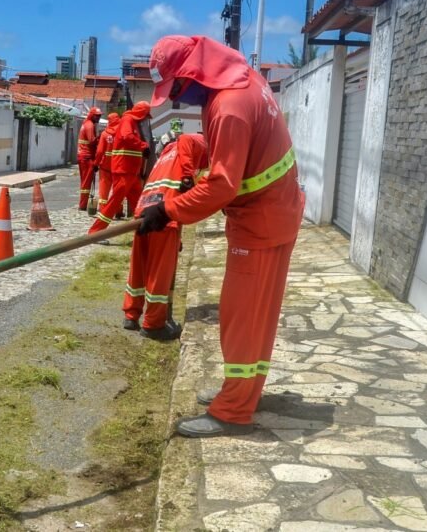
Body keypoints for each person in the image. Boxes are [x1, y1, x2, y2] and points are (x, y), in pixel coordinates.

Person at [140, 35, 304, 437]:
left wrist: (168, 210)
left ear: (193, 74)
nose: (179, 99)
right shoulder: (245, 79)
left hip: (261, 223)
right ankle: (242, 391)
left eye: (176, 88)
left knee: (242, 317)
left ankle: (232, 411)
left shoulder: (227, 107)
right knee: (255, 316)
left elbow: (223, 185)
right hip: (275, 213)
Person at [123, 133, 207, 341]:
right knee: (160, 271)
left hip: (144, 210)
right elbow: (188, 140)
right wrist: (189, 176)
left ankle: (131, 314)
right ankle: (153, 324)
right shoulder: (197, 142)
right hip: (164, 215)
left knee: (139, 267)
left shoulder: (165, 156)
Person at [88, 101, 151, 233]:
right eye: (145, 115)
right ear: (141, 113)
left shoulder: (132, 123)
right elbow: (126, 137)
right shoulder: (128, 120)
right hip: (124, 170)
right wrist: (143, 146)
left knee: (139, 203)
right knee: (114, 202)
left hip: (131, 171)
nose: (146, 119)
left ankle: (146, 232)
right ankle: (95, 231)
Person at [77, 107, 102, 211]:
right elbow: (92, 141)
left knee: (84, 181)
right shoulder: (90, 125)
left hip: (82, 156)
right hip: (87, 157)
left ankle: (83, 204)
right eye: (97, 115)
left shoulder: (85, 123)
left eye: (100, 115)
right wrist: (101, 138)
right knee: (86, 182)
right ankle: (82, 205)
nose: (99, 117)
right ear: (92, 115)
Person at [94, 112, 121, 211]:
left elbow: (100, 151)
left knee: (104, 189)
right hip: (118, 166)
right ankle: (118, 210)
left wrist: (96, 164)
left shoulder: (105, 134)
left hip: (105, 166)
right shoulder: (122, 133)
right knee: (117, 190)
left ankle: (103, 209)